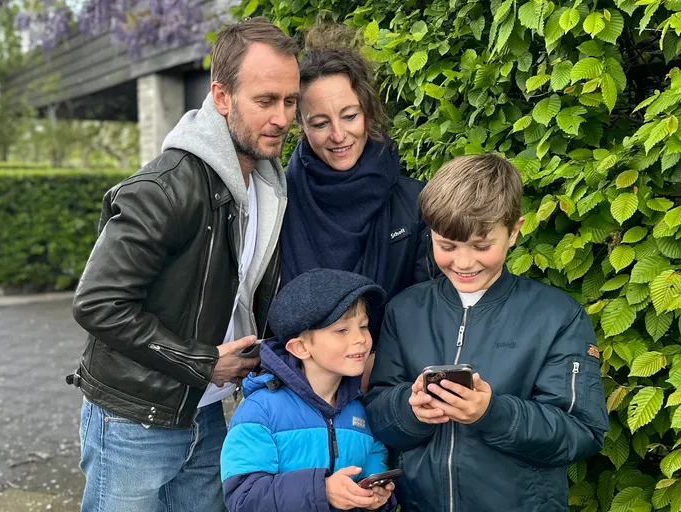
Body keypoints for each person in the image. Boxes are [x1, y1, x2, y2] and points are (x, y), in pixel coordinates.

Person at [66, 17, 300, 512]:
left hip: (207, 412)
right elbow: (98, 303)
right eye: (265, 101)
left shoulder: (268, 186)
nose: (282, 118)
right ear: (221, 97)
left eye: (290, 101)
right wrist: (203, 362)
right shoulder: (165, 189)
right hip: (133, 421)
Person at [364, 154, 610, 511]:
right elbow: (376, 413)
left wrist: (492, 413)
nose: (464, 263)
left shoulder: (557, 316)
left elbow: (582, 432)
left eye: (482, 246)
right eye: (447, 246)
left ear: (514, 231)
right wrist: (410, 409)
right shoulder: (405, 310)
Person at [279, 28, 435, 389]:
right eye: (320, 123)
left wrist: (380, 365)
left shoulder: (414, 204)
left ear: (368, 111)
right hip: (298, 389)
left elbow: (427, 307)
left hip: (389, 385)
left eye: (350, 116)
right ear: (301, 125)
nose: (338, 135)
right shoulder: (278, 203)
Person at [221, 268, 396, 512]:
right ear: (300, 348)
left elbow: (373, 466)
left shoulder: (359, 411)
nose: (360, 338)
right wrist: (321, 490)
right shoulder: (260, 411)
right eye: (342, 330)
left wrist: (375, 499)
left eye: (364, 326)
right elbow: (244, 497)